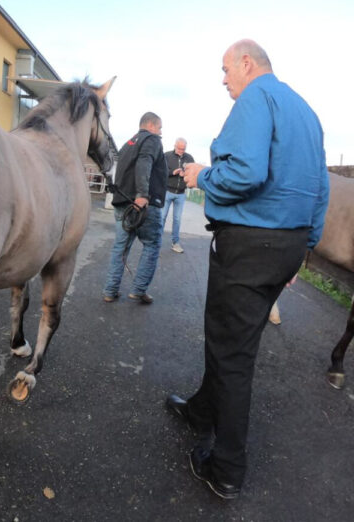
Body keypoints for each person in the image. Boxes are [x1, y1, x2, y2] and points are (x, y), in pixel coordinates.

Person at [167, 39, 329, 500]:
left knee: (233, 356)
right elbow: (321, 191)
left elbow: (246, 174)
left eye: (224, 70)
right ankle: (202, 411)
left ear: (246, 63)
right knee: (235, 341)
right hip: (287, 244)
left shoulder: (257, 97)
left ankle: (227, 469)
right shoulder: (308, 113)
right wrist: (303, 249)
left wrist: (202, 176)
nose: (223, 80)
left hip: (249, 245)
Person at [102, 112, 167, 305]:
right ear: (151, 125)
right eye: (160, 127)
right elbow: (144, 162)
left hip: (122, 203)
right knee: (152, 244)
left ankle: (110, 290)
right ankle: (138, 290)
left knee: (120, 248)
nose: (161, 131)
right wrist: (142, 195)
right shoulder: (152, 140)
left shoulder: (128, 144)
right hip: (142, 204)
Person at [160, 138, 194, 253]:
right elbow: (160, 171)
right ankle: (156, 242)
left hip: (181, 194)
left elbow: (193, 174)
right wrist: (173, 172)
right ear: (175, 146)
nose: (181, 151)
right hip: (167, 192)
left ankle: (175, 243)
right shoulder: (167, 156)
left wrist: (185, 174)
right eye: (179, 148)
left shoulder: (189, 158)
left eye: (183, 149)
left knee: (177, 219)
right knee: (162, 217)